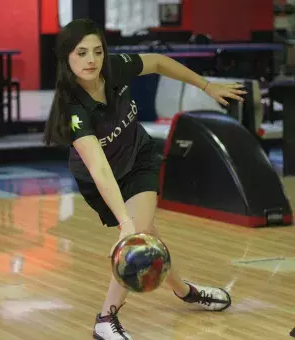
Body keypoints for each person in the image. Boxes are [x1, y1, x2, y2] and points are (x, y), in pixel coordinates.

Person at [44, 19, 247, 340]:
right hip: (101, 179)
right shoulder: (74, 109)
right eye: (81, 53)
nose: (91, 60)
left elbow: (158, 62)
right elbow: (99, 169)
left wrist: (206, 86)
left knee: (139, 236)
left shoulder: (113, 68)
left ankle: (105, 317)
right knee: (144, 232)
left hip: (139, 159)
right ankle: (184, 291)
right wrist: (123, 219)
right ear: (66, 58)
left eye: (97, 51)